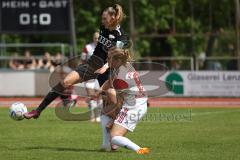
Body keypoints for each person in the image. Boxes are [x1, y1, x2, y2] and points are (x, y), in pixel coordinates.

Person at [24, 4, 127, 119]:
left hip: (107, 70)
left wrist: (106, 66)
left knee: (111, 104)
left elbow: (117, 56)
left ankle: (119, 118)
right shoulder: (103, 28)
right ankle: (38, 111)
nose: (102, 21)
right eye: (102, 18)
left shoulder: (121, 36)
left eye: (104, 18)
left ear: (113, 18)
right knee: (65, 82)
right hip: (92, 64)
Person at [96, 48, 150, 154]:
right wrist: (98, 92)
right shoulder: (126, 65)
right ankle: (106, 146)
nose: (107, 61)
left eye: (109, 58)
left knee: (115, 136)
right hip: (140, 102)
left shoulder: (120, 79)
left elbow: (119, 102)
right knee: (105, 113)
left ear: (117, 60)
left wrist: (114, 119)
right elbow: (109, 80)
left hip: (132, 107)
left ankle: (139, 150)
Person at [81, 31, 102, 122]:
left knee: (99, 96)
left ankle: (98, 116)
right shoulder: (87, 47)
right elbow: (82, 60)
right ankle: (92, 116)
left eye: (98, 38)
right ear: (93, 38)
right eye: (95, 38)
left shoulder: (104, 48)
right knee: (91, 96)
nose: (97, 39)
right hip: (89, 74)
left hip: (100, 75)